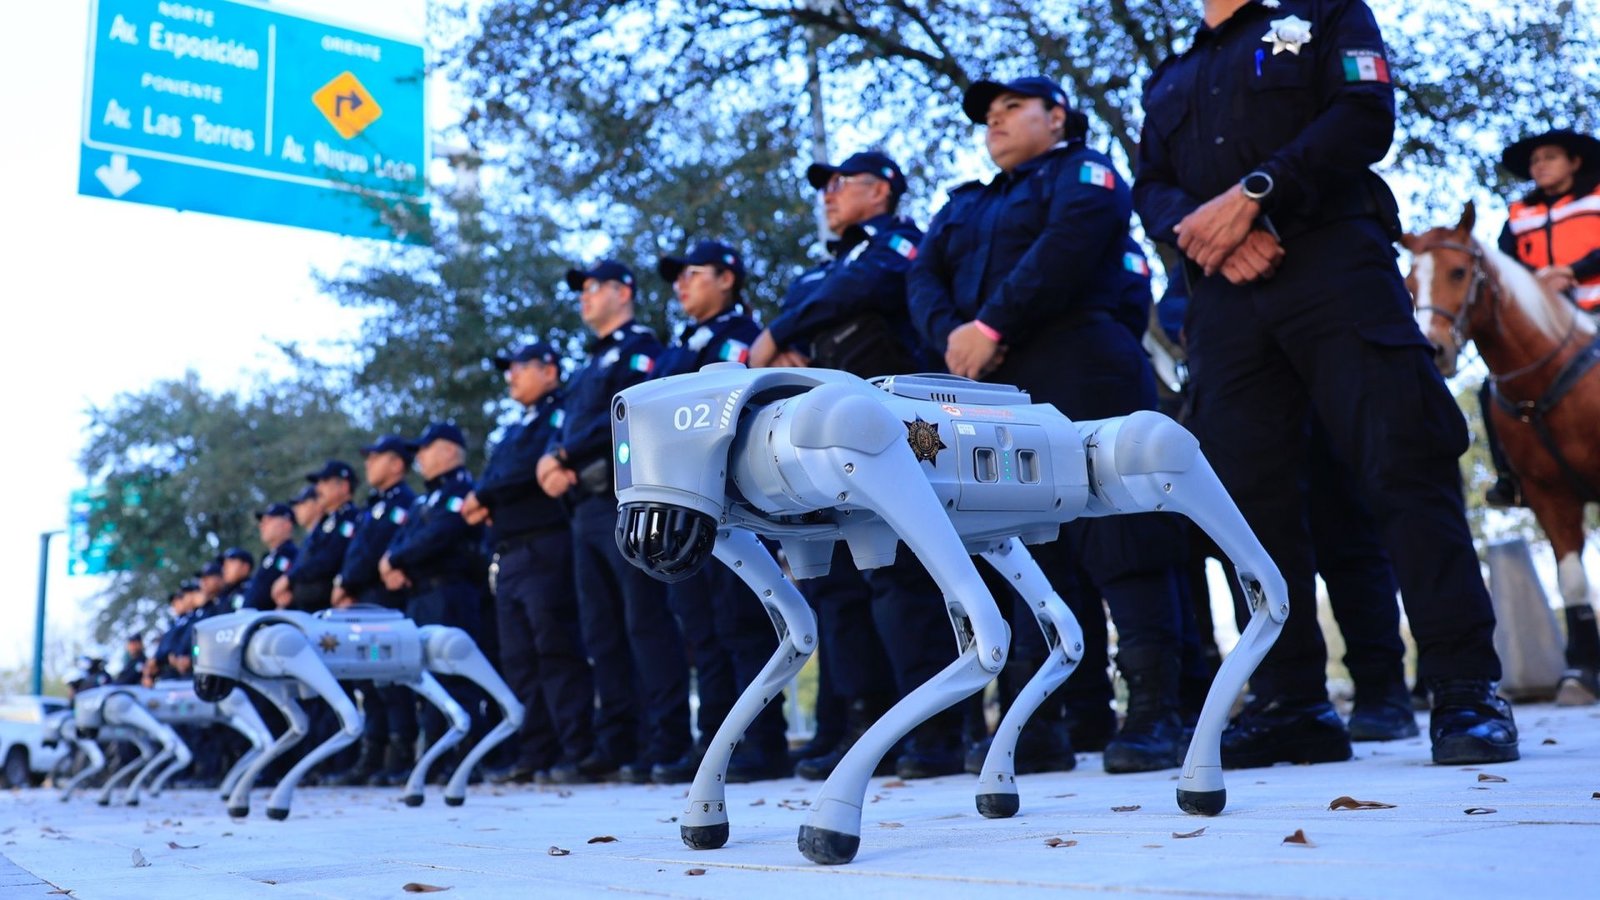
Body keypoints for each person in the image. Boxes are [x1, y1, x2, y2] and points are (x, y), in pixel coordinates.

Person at [1132, 0, 1517, 766]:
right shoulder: (1171, 76)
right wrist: (1212, 236)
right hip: (1225, 299)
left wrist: (1255, 194)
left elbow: (1365, 115)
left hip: (1334, 265)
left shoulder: (1328, 12)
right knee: (1247, 499)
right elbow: (1152, 189)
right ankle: (1292, 702)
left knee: (1403, 463)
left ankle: (1463, 687)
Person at [907, 75, 1188, 775]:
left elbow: (1068, 246)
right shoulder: (964, 203)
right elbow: (921, 279)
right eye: (987, 115)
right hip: (992, 389)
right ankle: (1040, 721)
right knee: (1025, 544)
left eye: (1011, 109)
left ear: (1055, 116)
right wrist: (957, 340)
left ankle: (1155, 714)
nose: (994, 123)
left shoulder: (1084, 172)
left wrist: (992, 323)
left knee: (1123, 532)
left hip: (1084, 363)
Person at [538, 258, 693, 785]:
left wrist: (561, 455)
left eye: (593, 287)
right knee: (601, 632)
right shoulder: (590, 363)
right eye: (579, 288)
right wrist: (556, 463)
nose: (584, 296)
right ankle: (619, 741)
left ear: (623, 291)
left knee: (644, 622)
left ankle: (666, 739)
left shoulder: (640, 350)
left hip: (623, 501)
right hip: (583, 506)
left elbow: (627, 414)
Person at [653, 240, 791, 781]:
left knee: (743, 627)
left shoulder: (744, 340)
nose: (680, 286)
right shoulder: (681, 345)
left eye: (693, 274)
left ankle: (762, 744)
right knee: (703, 634)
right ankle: (717, 743)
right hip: (687, 507)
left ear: (727, 278)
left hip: (733, 503)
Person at [465, 340, 597, 785]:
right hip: (510, 553)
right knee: (519, 658)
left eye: (519, 367)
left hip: (546, 546)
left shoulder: (560, 414)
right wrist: (490, 492)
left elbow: (528, 475)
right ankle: (534, 751)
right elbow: (498, 477)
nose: (511, 376)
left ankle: (575, 749)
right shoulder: (511, 430)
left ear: (549, 370)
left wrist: (487, 495)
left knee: (555, 648)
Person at [1479, 129, 1600, 509]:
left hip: (1595, 306)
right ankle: (1511, 478)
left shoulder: (1596, 197)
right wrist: (1537, 281)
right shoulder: (1518, 215)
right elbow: (1502, 262)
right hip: (1545, 322)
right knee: (1494, 388)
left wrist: (1571, 270)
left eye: (1549, 157)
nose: (1540, 165)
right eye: (1534, 161)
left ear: (1574, 162)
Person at [383, 421, 489, 780]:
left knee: (455, 675)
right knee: (425, 677)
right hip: (421, 596)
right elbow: (402, 539)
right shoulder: (426, 498)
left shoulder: (461, 490)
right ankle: (435, 758)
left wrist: (396, 560)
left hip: (451, 594)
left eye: (425, 450)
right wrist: (392, 560)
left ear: (446, 449)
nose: (420, 459)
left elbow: (439, 535)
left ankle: (463, 760)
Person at [334, 433, 421, 787]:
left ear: (397, 464)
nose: (368, 464)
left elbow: (376, 553)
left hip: (384, 601)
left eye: (376, 457)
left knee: (391, 680)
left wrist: (347, 584)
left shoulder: (405, 502)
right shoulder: (375, 505)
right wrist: (345, 585)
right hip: (363, 601)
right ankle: (374, 756)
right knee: (369, 684)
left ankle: (399, 758)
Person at [279, 461, 359, 612]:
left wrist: (290, 578)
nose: (318, 488)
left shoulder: (349, 518)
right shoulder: (327, 523)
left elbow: (329, 558)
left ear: (343, 486)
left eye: (324, 482)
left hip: (330, 607)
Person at [242, 502, 298, 612]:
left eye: (269, 520)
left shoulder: (291, 554)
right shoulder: (268, 557)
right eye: (262, 522)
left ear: (287, 523)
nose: (262, 525)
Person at [218, 547, 253, 613]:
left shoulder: (253, 589)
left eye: (230, 563)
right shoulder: (224, 594)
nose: (225, 568)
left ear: (245, 567)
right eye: (224, 564)